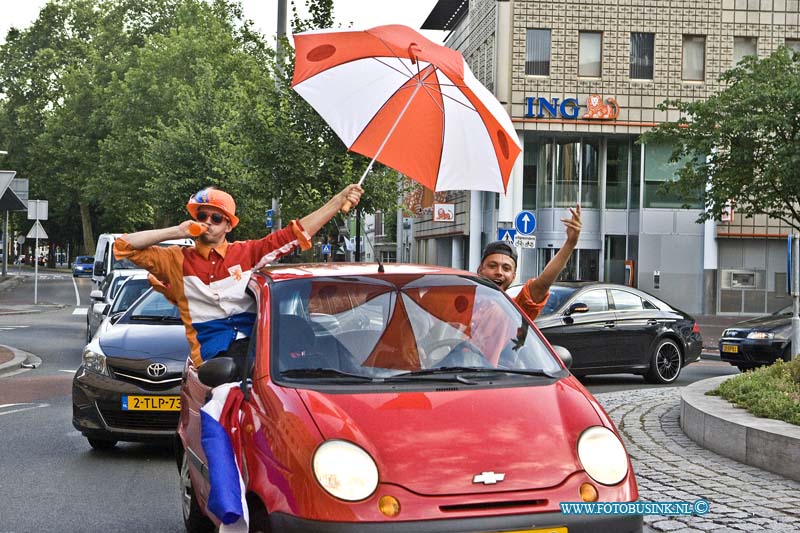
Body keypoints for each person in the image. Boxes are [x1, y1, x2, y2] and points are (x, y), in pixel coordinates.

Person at [114, 184, 364, 368]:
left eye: (216, 218)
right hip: (215, 359)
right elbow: (124, 246)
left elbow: (293, 234)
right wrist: (178, 231)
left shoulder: (246, 253)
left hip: (257, 351)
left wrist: (337, 200)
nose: (208, 222)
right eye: (202, 216)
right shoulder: (175, 260)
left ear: (228, 225)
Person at [478, 205, 582, 321]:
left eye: (506, 268)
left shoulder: (515, 310)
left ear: (513, 277)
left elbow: (541, 286)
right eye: (492, 266)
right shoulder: (458, 299)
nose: (499, 272)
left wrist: (570, 243)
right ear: (480, 270)